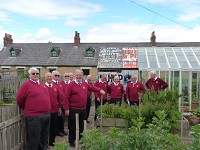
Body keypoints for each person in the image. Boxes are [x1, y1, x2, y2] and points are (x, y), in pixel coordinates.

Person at [64, 70, 105, 147]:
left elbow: (92, 88)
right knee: (73, 126)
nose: (79, 77)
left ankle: (80, 140)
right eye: (77, 75)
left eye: (80, 75)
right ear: (75, 76)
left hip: (83, 109)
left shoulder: (84, 84)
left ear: (82, 76)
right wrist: (66, 109)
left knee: (81, 126)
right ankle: (71, 141)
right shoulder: (71, 85)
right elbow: (66, 97)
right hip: (74, 109)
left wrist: (100, 90)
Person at [16, 67, 51, 150]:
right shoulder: (26, 85)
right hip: (34, 115)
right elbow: (19, 98)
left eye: (37, 73)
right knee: (34, 138)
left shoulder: (41, 83)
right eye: (33, 73)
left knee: (44, 136)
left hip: (46, 114)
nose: (35, 75)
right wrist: (26, 107)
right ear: (29, 75)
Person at [44, 72, 62, 147]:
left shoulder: (55, 87)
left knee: (53, 127)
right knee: (45, 129)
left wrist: (59, 108)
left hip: (54, 111)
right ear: (45, 78)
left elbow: (59, 99)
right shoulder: (43, 86)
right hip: (46, 111)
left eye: (50, 76)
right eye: (47, 76)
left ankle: (52, 142)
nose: (49, 78)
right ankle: (45, 143)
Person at [52, 70, 67, 136]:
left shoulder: (59, 83)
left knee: (61, 119)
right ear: (52, 76)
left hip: (62, 103)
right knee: (57, 119)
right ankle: (57, 131)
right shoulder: (52, 84)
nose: (57, 76)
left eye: (58, 75)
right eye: (55, 75)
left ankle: (61, 130)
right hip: (56, 105)